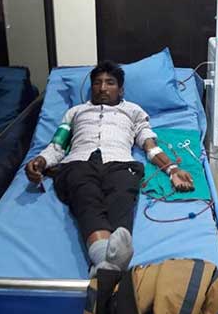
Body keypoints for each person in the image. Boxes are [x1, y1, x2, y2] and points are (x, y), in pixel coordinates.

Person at [25, 61, 193, 273]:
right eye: (97, 83)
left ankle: (103, 264)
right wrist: (41, 161)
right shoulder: (75, 112)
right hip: (78, 163)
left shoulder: (133, 111)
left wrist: (172, 170)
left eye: (110, 83)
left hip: (120, 164)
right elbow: (57, 146)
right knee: (85, 197)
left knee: (121, 198)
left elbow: (149, 145)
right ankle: (110, 262)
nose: (103, 88)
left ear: (121, 90)